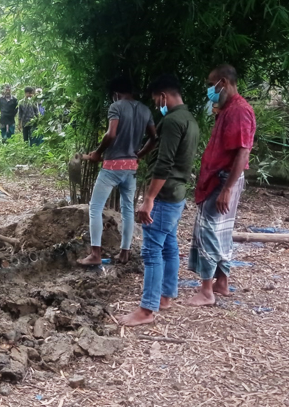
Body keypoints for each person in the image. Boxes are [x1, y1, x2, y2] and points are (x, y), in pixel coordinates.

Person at [118, 74, 200, 326]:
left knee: (152, 250)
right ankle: (165, 296)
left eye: (156, 101)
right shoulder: (190, 120)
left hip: (164, 195)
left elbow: (164, 163)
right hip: (177, 193)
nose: (157, 106)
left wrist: (149, 198)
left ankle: (147, 309)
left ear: (163, 96)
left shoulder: (173, 121)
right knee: (169, 245)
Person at [188, 64, 256, 307]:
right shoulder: (227, 109)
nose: (209, 90)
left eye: (210, 85)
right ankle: (221, 282)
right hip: (220, 178)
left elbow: (243, 152)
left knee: (208, 231)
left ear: (223, 83)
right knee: (220, 230)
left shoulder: (239, 111)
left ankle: (207, 291)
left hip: (223, 180)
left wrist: (226, 188)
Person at [78, 76, 156, 266]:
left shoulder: (116, 107)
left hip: (112, 165)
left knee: (95, 208)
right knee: (128, 210)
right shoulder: (145, 110)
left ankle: (95, 254)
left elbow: (111, 134)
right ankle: (125, 252)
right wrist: (140, 154)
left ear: (115, 94)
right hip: (131, 167)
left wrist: (97, 153)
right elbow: (154, 137)